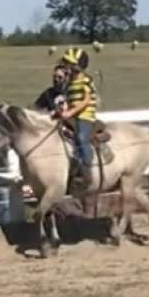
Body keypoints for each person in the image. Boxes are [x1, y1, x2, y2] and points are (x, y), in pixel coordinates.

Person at [56, 47, 98, 193]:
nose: (65, 66)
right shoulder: (69, 82)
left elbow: (86, 101)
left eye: (69, 63)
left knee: (80, 137)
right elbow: (68, 99)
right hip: (73, 115)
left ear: (77, 65)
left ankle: (87, 169)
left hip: (85, 116)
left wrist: (70, 112)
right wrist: (63, 110)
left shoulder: (85, 80)